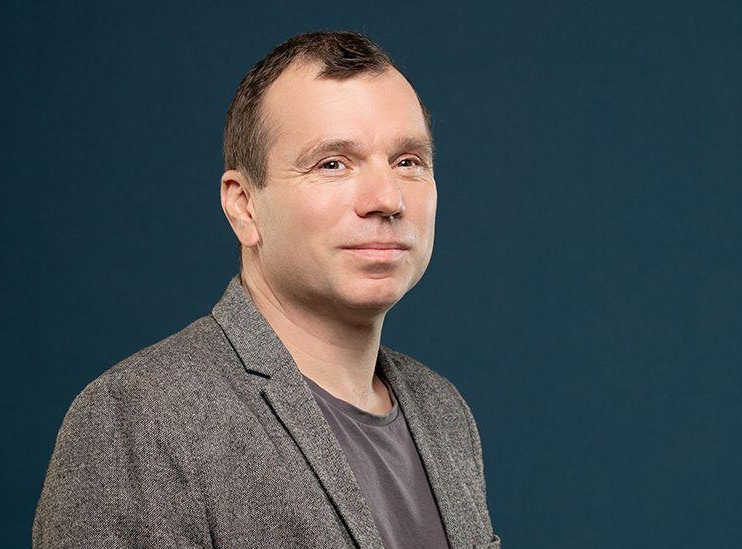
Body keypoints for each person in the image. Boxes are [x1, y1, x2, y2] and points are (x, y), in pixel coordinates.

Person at [33, 30, 500, 548]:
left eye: (408, 161)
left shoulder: (444, 413)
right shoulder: (136, 421)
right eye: (332, 163)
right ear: (244, 206)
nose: (386, 198)